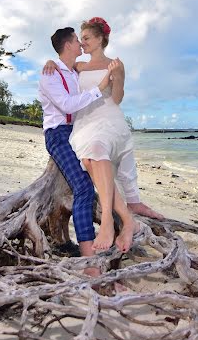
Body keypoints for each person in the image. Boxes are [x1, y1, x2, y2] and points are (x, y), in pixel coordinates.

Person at [40, 21, 163, 254]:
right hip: (82, 123)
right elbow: (62, 71)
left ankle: (111, 220)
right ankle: (124, 221)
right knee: (89, 167)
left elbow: (116, 98)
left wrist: (117, 77)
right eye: (80, 39)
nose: (82, 42)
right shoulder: (78, 66)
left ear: (99, 40)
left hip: (105, 118)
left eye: (86, 38)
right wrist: (50, 62)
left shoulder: (115, 64)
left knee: (92, 160)